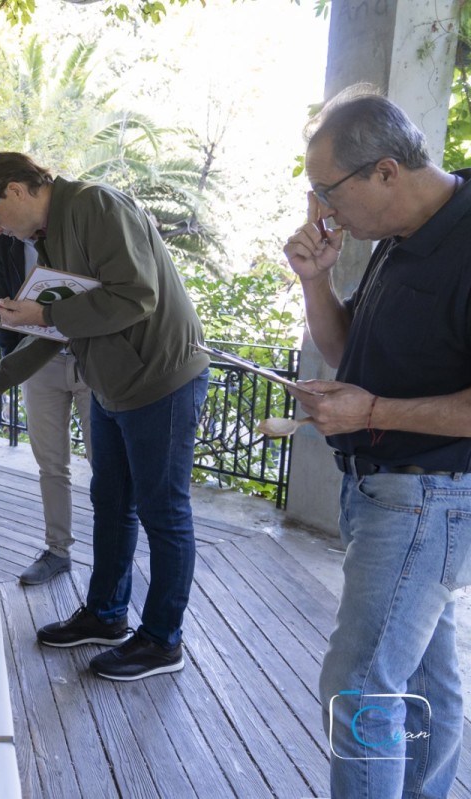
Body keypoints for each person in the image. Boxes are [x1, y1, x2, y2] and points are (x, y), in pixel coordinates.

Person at [0, 152, 209, 682]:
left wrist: (44, 312)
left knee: (163, 514)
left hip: (161, 381)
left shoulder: (95, 206)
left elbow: (137, 296)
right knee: (111, 503)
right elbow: (61, 328)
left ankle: (162, 641)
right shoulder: (51, 235)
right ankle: (107, 615)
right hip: (113, 386)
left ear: (16, 189)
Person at [282, 89, 471, 797]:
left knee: (359, 684)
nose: (324, 212)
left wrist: (373, 410)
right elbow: (346, 349)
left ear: (386, 171)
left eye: (329, 192)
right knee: (424, 677)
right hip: (385, 491)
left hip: (430, 495)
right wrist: (317, 279)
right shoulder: (399, 232)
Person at [0, 232, 94, 586]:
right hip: (39, 364)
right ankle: (57, 551)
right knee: (50, 464)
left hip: (92, 361)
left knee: (106, 466)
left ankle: (114, 557)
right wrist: (15, 355)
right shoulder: (3, 245)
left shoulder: (73, 231)